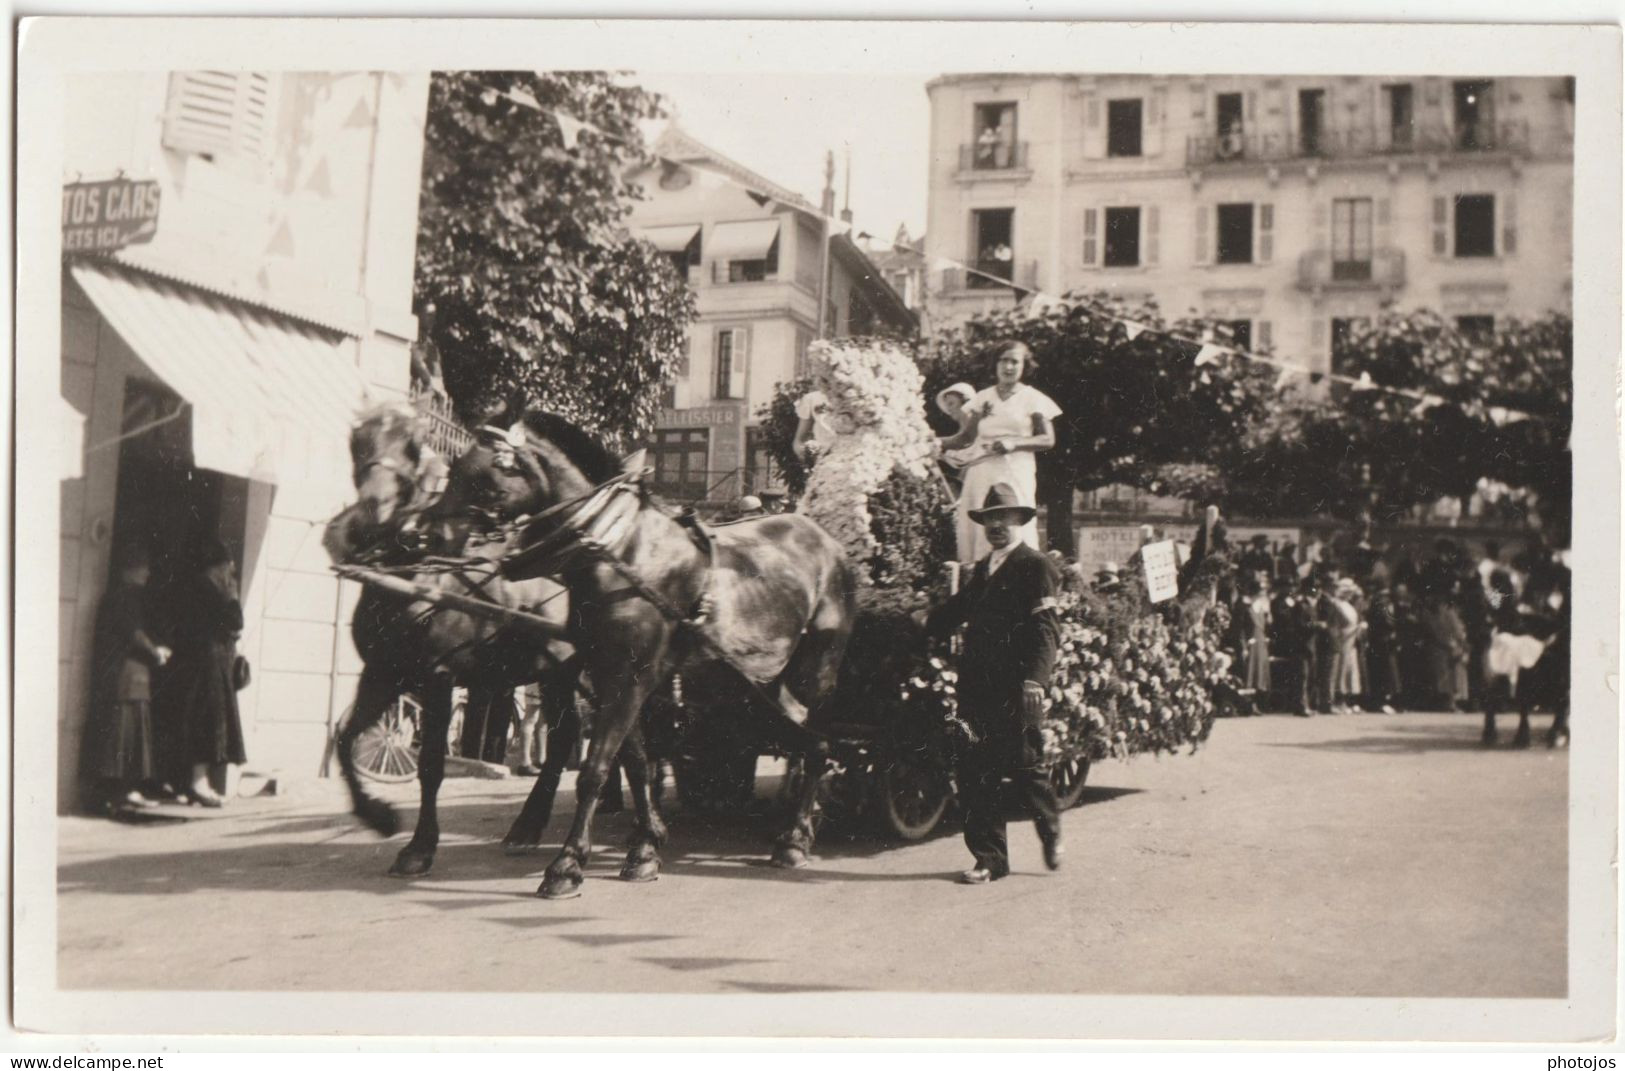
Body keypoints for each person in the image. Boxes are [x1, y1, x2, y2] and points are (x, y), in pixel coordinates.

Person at [919, 483, 1064, 884]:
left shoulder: (1036, 566)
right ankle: (990, 859)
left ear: (1020, 521)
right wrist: (922, 621)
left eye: (1005, 517)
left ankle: (1050, 831)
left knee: (1026, 766)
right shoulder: (984, 568)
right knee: (974, 771)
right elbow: (961, 607)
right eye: (989, 519)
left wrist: (1036, 679)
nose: (997, 525)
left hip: (1016, 688)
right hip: (976, 688)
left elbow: (1046, 629)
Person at [938, 341, 1060, 562]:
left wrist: (1014, 443)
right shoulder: (983, 398)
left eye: (1015, 361)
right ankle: (977, 576)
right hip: (982, 472)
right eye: (1004, 360)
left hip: (1015, 469)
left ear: (1024, 366)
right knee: (979, 522)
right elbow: (965, 437)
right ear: (995, 364)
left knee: (1012, 520)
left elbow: (1047, 439)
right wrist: (930, 441)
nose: (1009, 367)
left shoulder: (1033, 398)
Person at [160, 538, 247, 807]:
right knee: (207, 725)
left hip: (191, 664)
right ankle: (199, 783)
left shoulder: (190, 587)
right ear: (218, 567)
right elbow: (235, 621)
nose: (230, 572)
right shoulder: (212, 590)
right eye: (226, 566)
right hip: (209, 666)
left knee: (188, 722)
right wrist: (232, 597)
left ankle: (182, 783)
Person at [86, 543, 171, 811]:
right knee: (126, 735)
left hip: (123, 677)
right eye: (143, 568)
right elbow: (134, 634)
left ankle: (120, 791)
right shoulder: (127, 596)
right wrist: (156, 652)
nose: (147, 574)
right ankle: (123, 791)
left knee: (121, 735)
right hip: (128, 677)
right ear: (131, 570)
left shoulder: (116, 596)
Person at [1232, 572, 1272, 705]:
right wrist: (1243, 645)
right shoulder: (1245, 607)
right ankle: (1248, 703)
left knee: (1260, 673)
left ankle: (1257, 701)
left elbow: (1265, 626)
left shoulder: (1261, 608)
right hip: (1251, 643)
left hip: (1260, 643)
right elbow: (1240, 629)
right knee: (1249, 672)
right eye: (1260, 593)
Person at [791, 390, 839, 461]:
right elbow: (798, 441)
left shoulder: (856, 398)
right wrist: (808, 453)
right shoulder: (812, 398)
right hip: (827, 457)